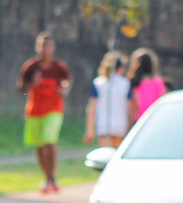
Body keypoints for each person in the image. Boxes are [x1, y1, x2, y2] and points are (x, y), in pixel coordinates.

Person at [18, 32, 71, 193]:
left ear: (53, 48)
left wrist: (65, 89)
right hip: (35, 110)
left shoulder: (59, 67)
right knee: (39, 146)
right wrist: (32, 84)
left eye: (48, 45)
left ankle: (52, 177)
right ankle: (47, 177)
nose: (45, 49)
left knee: (49, 141)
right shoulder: (30, 67)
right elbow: (21, 88)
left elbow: (67, 81)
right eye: (42, 45)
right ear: (38, 47)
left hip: (53, 109)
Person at [84, 50, 130, 148]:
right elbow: (130, 107)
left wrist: (90, 129)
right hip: (121, 127)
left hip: (103, 126)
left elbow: (92, 108)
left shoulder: (98, 83)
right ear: (121, 68)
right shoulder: (126, 84)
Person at [127, 48, 166, 123]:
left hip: (139, 120)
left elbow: (135, 106)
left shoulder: (134, 82)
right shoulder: (158, 83)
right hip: (154, 119)